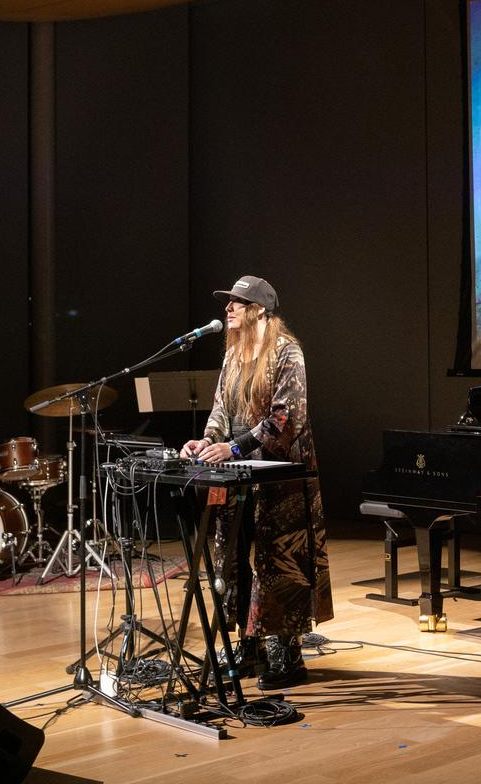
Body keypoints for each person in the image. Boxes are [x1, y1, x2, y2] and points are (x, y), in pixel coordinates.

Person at [181, 274, 332, 690]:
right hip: (241, 472)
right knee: (231, 554)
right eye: (226, 303)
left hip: (281, 474)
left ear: (259, 309)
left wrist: (234, 448)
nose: (227, 309)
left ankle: (287, 657)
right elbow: (219, 411)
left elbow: (286, 419)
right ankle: (249, 648)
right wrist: (207, 440)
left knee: (278, 562)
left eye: (236, 303)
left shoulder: (287, 352)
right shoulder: (233, 354)